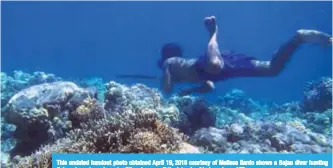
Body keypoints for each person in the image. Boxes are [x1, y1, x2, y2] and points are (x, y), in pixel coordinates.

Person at [157, 16, 332, 96]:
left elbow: (166, 89)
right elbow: (210, 86)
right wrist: (191, 90)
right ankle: (298, 39)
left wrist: (168, 85)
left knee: (215, 66)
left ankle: (213, 33)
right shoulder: (180, 68)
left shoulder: (169, 62)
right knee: (272, 69)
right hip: (219, 70)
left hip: (209, 64)